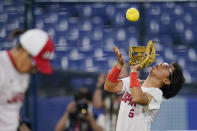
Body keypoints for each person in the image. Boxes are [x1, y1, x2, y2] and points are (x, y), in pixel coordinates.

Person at [104, 46, 185, 131]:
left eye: (167, 67)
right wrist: (118, 66)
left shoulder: (156, 94)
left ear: (167, 81)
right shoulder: (133, 81)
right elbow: (109, 86)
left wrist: (134, 71)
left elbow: (137, 98)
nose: (162, 64)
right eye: (164, 64)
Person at [0, 28, 55, 130]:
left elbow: (8, 108)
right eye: (34, 65)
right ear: (23, 51)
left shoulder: (24, 75)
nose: (34, 70)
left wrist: (21, 125)